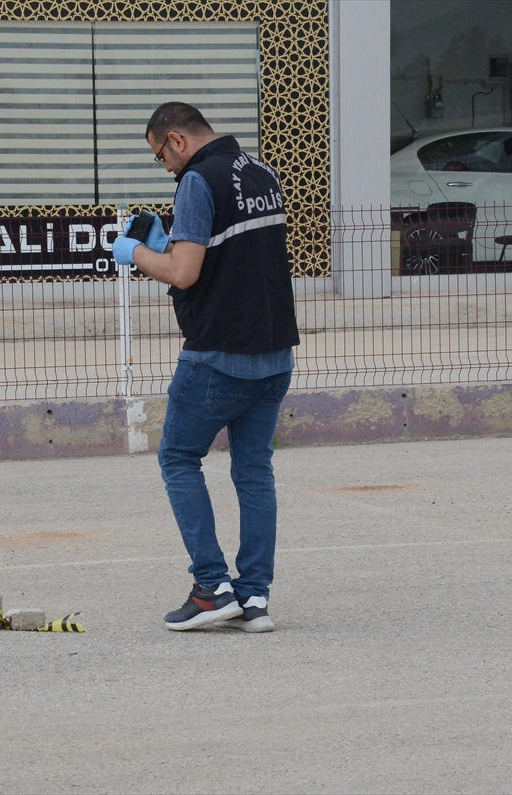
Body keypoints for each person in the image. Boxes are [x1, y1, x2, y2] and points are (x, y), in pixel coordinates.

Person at [112, 102, 299, 633]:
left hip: (218, 353)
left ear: (176, 139)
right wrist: (167, 244)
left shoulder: (197, 181)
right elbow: (232, 257)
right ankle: (254, 598)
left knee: (177, 458)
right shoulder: (262, 172)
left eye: (160, 156)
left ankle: (212, 588)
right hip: (274, 352)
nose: (166, 167)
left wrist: (135, 252)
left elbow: (185, 273)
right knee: (254, 470)